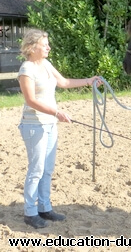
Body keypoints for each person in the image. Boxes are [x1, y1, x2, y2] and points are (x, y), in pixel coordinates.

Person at [17, 28, 101, 229]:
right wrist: (56, 113)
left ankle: (45, 207)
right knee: (36, 170)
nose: (49, 47)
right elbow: (31, 100)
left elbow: (63, 82)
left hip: (49, 124)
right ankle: (30, 212)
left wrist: (89, 81)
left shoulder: (45, 64)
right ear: (31, 47)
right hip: (34, 125)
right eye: (44, 44)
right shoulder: (26, 70)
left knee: (47, 169)